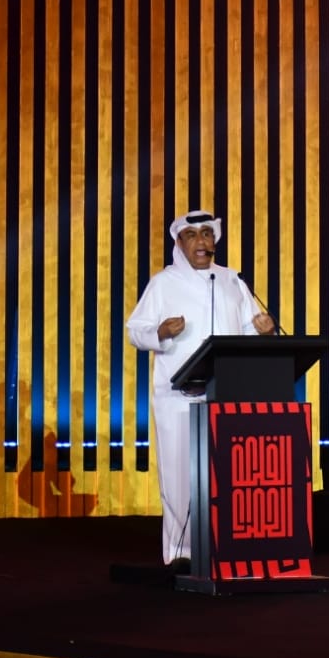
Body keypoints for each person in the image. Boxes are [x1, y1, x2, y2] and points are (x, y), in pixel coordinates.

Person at [127, 209, 276, 572]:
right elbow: (135, 330)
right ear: (179, 243)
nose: (201, 241)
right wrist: (160, 332)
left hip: (226, 395)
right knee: (180, 477)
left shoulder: (232, 280)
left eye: (207, 234)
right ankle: (182, 553)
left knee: (229, 474)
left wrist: (265, 329)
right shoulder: (163, 283)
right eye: (192, 235)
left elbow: (249, 328)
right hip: (179, 397)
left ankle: (228, 546)